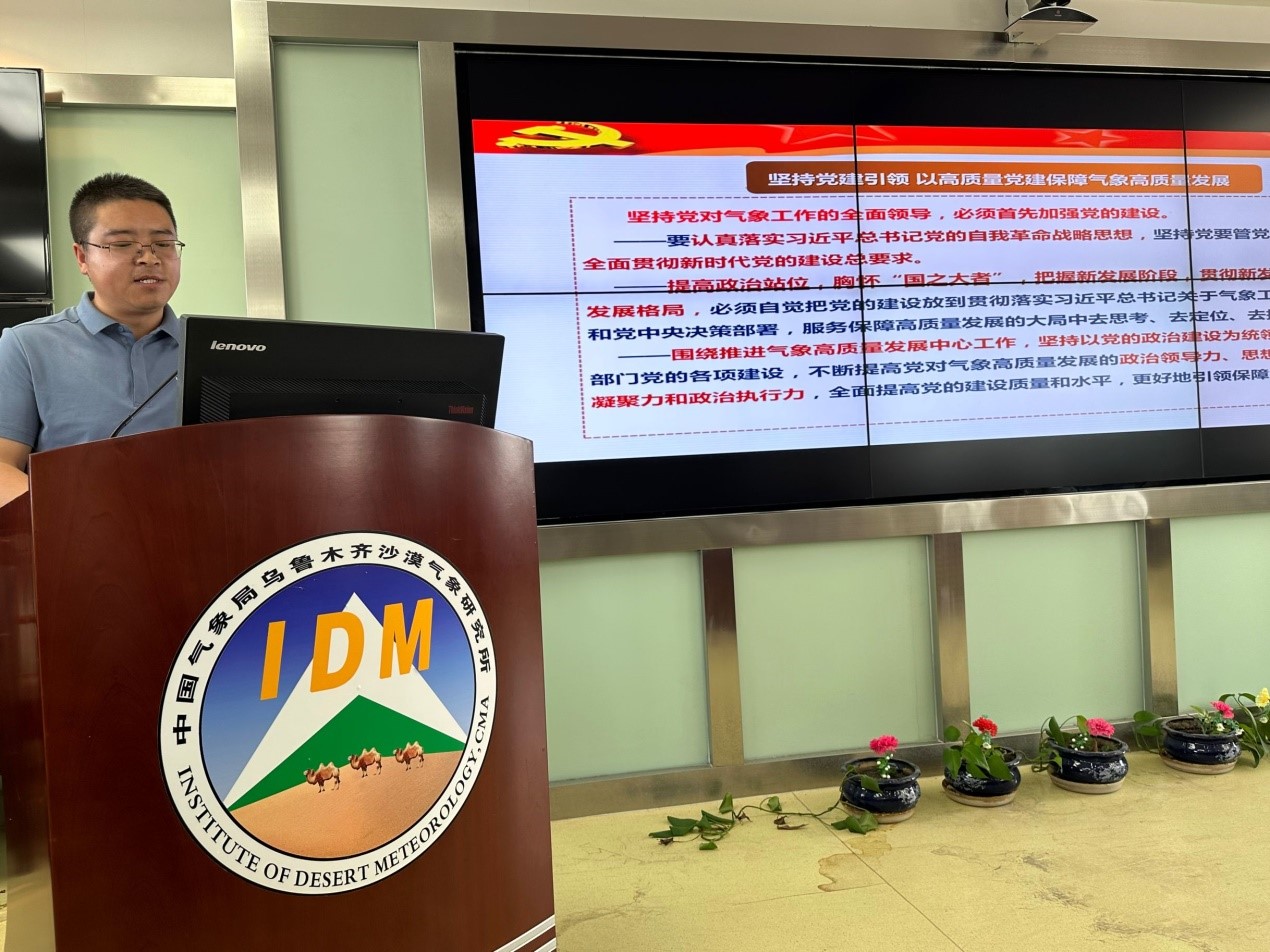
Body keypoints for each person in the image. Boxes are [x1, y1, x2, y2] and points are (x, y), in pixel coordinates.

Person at [0, 173, 184, 507]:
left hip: (198, 529)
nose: (149, 258)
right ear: (82, 257)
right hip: (74, 532)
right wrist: (73, 522)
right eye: (123, 244)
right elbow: (2, 466)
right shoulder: (26, 346)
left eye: (163, 243)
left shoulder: (212, 348)